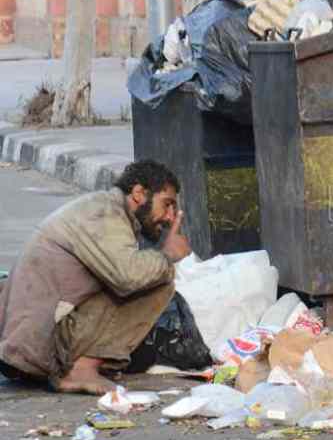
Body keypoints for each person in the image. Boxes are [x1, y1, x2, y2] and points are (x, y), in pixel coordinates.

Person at [0, 160, 191, 394]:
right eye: (167, 204)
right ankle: (80, 370)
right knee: (158, 281)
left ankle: (79, 365)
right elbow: (129, 276)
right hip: (36, 345)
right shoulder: (104, 212)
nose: (170, 216)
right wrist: (168, 254)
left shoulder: (105, 210)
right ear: (139, 193)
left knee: (151, 271)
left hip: (29, 342)